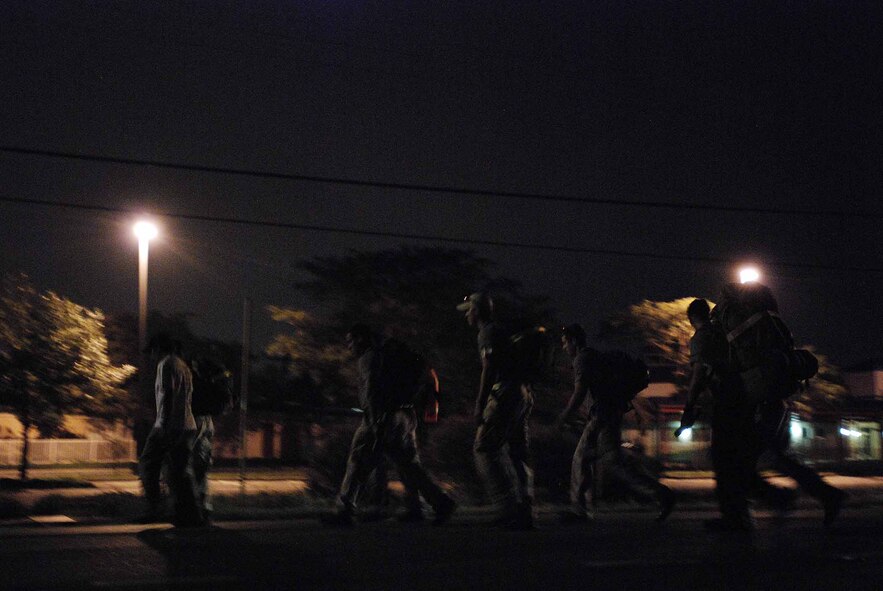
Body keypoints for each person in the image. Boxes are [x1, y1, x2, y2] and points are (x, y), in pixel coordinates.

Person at [712, 283, 846, 527]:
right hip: (776, 398)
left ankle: (760, 507)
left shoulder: (744, 323)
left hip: (760, 402)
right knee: (771, 457)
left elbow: (740, 362)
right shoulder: (770, 323)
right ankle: (814, 496)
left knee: (743, 459)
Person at [322, 324, 456, 526]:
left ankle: (344, 509)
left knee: (357, 462)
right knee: (409, 465)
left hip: (381, 416)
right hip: (406, 415)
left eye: (351, 341)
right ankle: (434, 504)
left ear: (361, 338)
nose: (349, 346)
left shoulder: (369, 358)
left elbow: (371, 392)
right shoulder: (391, 354)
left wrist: (376, 423)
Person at [677, 299, 784, 531]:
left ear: (691, 318)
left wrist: (689, 406)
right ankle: (755, 507)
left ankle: (736, 517)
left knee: (723, 461)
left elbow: (698, 375)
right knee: (737, 461)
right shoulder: (725, 332)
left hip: (727, 405)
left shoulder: (702, 337)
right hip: (745, 402)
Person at [556, 323, 674, 524]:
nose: (564, 348)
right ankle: (661, 494)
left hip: (601, 416)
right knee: (615, 463)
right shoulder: (594, 356)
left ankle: (580, 510)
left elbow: (579, 392)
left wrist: (564, 416)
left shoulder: (582, 359)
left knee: (580, 458)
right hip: (609, 413)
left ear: (574, 341)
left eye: (565, 343)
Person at [458, 292, 535, 529]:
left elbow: (489, 369)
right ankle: (525, 508)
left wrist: (480, 403)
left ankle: (507, 507)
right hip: (523, 393)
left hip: (505, 394)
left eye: (469, 310)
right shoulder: (501, 331)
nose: (467, 315)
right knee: (517, 452)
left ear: (478, 311)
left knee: (485, 448)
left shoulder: (487, 333)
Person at [137, 334, 203, 526]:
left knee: (148, 465)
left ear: (158, 348)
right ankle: (190, 515)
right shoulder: (183, 365)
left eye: (151, 351)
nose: (150, 356)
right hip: (187, 425)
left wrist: (164, 426)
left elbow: (168, 394)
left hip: (169, 425)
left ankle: (154, 510)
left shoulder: (165, 364)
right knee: (180, 472)